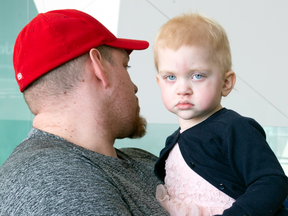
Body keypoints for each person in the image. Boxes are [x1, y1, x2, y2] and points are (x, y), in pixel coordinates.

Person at [0, 9, 169, 215]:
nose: (134, 87)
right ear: (99, 68)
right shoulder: (57, 183)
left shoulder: (141, 160)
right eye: (126, 66)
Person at [153, 12, 288, 216]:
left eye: (197, 75)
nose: (182, 89)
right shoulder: (172, 141)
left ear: (226, 83)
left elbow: (272, 181)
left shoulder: (234, 128)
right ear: (159, 82)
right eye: (170, 77)